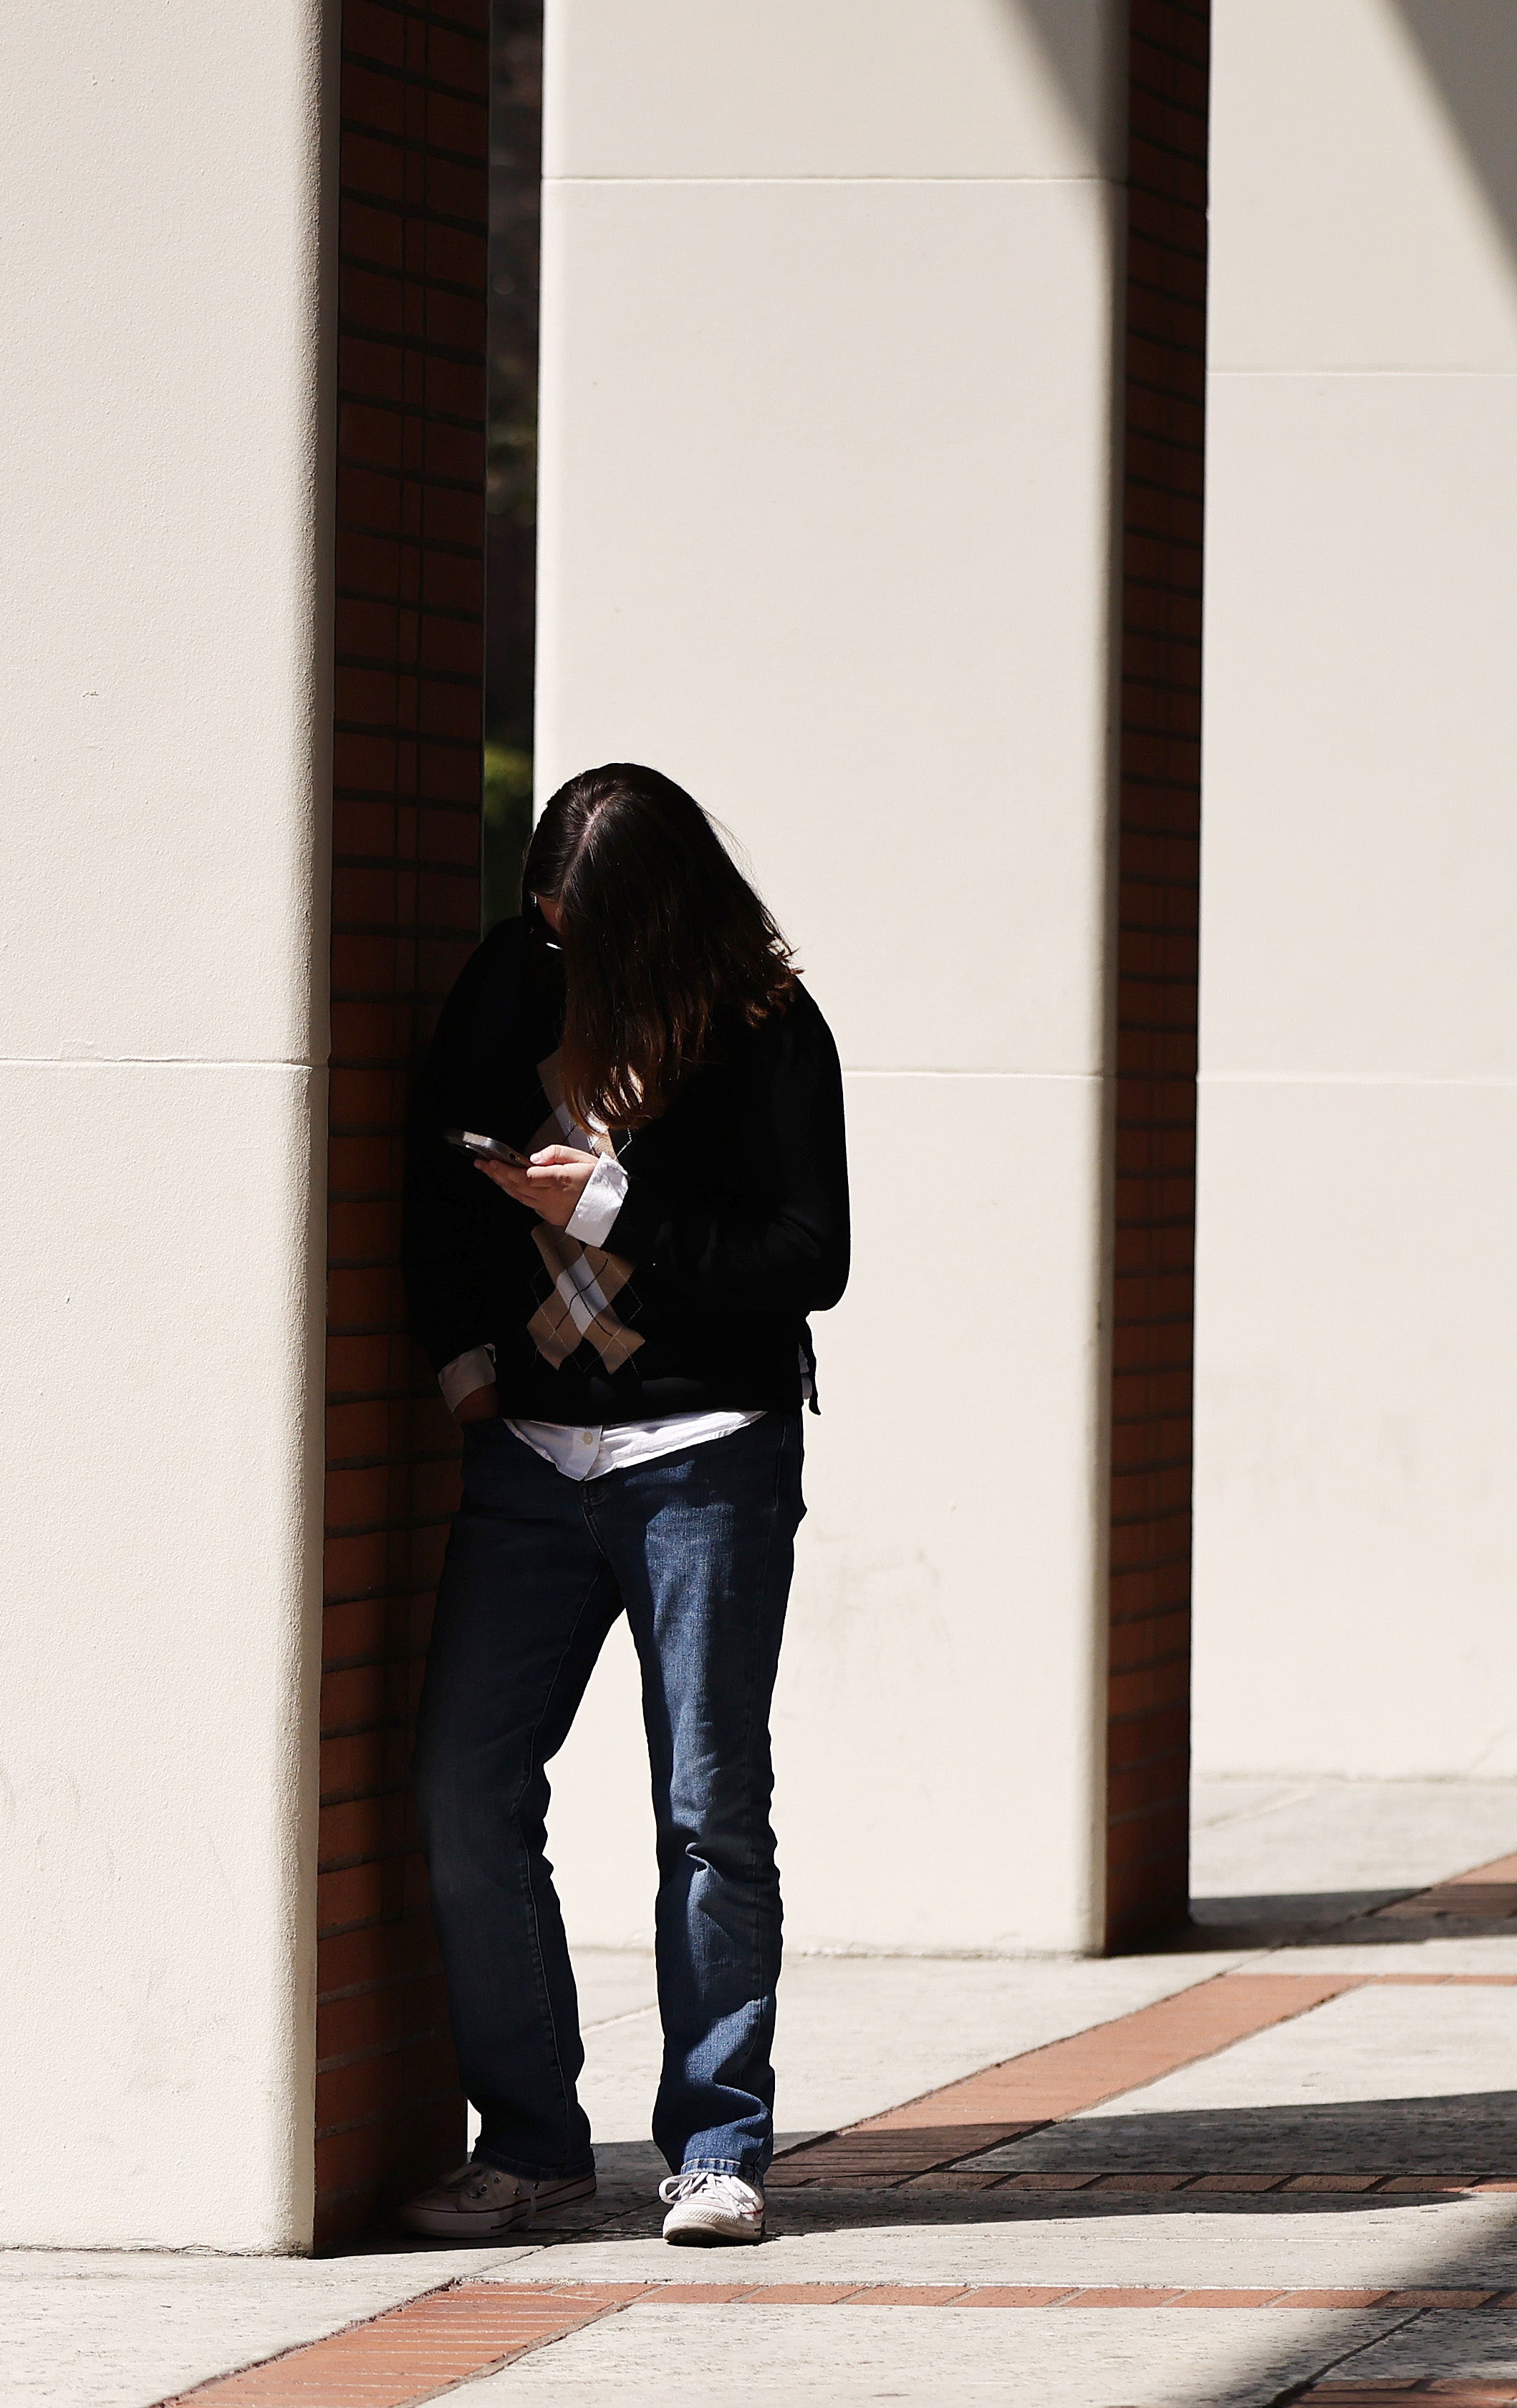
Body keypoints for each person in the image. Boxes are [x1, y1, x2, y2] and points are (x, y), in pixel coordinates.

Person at [390, 764, 849, 2251]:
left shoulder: (768, 1032)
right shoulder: (512, 984)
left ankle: (717, 2148)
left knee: (710, 1809)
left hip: (707, 1456)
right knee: (465, 1787)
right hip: (530, 1456)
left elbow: (807, 1257)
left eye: (580, 925)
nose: (552, 945)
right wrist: (465, 1368)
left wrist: (602, 1211)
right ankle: (528, 2146)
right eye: (542, 919)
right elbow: (430, 1171)